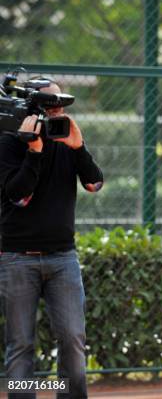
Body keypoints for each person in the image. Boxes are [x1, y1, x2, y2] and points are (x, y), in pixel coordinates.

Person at [0, 77, 103, 398]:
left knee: (73, 337)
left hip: (63, 258)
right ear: (32, 108)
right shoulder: (8, 143)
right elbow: (17, 195)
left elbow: (95, 184)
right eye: (50, 105)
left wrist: (79, 148)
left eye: (60, 104)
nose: (57, 110)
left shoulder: (65, 139)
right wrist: (34, 152)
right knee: (21, 344)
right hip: (17, 257)